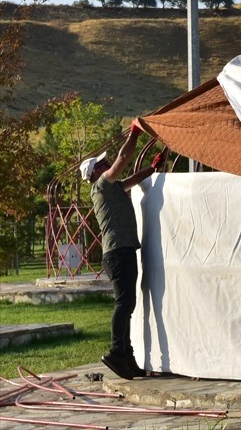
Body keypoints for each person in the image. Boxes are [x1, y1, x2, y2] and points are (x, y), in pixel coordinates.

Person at [79, 121, 161, 380]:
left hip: (122, 251)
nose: (106, 164)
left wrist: (153, 168)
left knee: (128, 304)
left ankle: (127, 356)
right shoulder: (101, 186)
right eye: (101, 164)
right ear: (95, 172)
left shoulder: (112, 188)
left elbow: (132, 179)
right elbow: (123, 159)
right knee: (124, 303)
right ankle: (116, 352)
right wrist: (134, 133)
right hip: (117, 252)